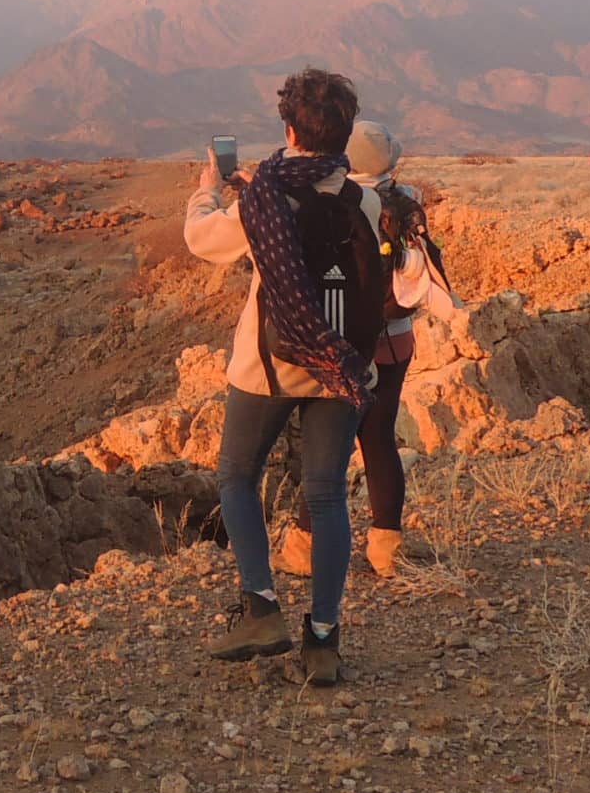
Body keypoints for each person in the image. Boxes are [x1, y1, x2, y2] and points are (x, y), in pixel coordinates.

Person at [184, 68, 381, 685]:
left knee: (237, 476)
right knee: (326, 496)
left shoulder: (263, 199)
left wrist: (207, 192)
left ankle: (262, 607)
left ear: (290, 130)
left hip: (269, 366)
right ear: (344, 134)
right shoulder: (365, 199)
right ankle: (322, 641)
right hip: (344, 366)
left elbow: (201, 240)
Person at [267, 120, 448, 578]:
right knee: (379, 437)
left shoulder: (339, 203)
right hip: (397, 336)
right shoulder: (408, 199)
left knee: (327, 444)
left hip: (345, 345)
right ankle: (387, 548)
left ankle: (305, 549)